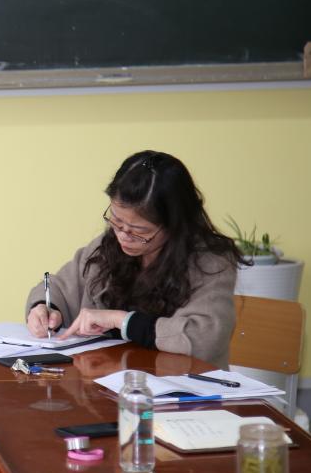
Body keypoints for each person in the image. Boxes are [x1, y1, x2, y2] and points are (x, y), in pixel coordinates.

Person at [25, 150, 241, 368]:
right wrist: (45, 308)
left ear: (175, 225)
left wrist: (121, 321)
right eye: (116, 220)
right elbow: (60, 287)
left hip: (179, 384)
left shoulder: (211, 262)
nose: (123, 236)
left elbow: (204, 339)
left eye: (139, 230)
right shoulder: (107, 246)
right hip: (107, 380)